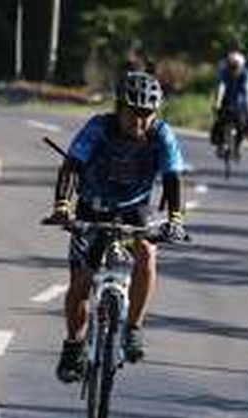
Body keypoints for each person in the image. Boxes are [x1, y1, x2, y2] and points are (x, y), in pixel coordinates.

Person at [42, 71, 188, 383]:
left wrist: (175, 219)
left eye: (147, 114)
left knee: (147, 254)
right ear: (118, 108)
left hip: (136, 209)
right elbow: (71, 165)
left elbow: (173, 177)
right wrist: (62, 207)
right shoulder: (99, 128)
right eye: (133, 113)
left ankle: (133, 327)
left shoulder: (161, 134)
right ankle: (73, 345)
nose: (140, 121)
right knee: (81, 281)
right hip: (91, 207)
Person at [209, 50, 248, 158]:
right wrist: (217, 102)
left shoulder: (245, 75)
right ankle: (219, 144)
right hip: (226, 101)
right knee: (220, 121)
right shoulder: (224, 72)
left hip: (240, 103)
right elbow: (221, 87)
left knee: (242, 125)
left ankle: (237, 147)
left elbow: (247, 92)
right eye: (231, 66)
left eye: (236, 66)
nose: (233, 68)